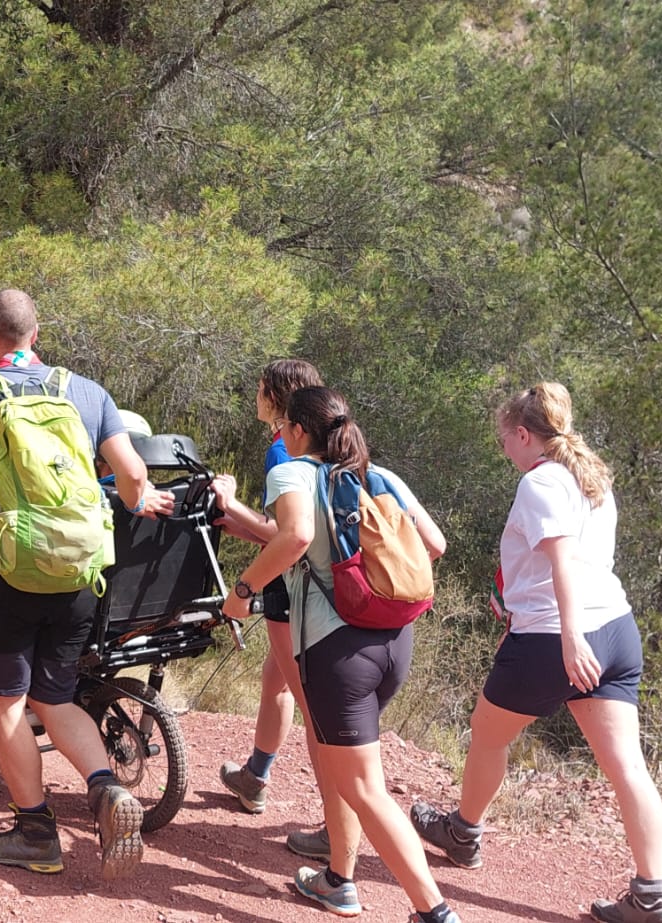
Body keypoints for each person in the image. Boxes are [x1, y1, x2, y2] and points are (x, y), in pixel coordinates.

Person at [0, 288, 174, 881]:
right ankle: (107, 788)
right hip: (78, 577)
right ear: (36, 334)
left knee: (8, 703)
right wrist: (140, 499)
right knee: (55, 697)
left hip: (10, 576)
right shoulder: (86, 392)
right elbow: (133, 473)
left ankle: (36, 833)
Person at [406, 383, 662, 923]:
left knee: (487, 733)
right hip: (617, 630)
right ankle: (652, 897)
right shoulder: (591, 478)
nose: (504, 448)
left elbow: (562, 562)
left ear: (525, 434)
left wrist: (568, 636)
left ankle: (463, 833)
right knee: (628, 766)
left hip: (559, 636)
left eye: (505, 438)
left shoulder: (541, 481)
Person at [217, 387, 460, 922]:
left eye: (285, 425)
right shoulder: (380, 476)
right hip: (393, 642)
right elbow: (435, 544)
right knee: (341, 767)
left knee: (365, 787)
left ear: (299, 431)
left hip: (336, 651)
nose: (281, 433)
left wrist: (243, 591)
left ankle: (435, 913)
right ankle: (337, 880)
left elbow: (295, 536)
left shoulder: (293, 473)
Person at [208, 361, 328, 826]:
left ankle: (335, 819)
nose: (254, 395)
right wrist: (237, 523)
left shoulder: (282, 451)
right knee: (276, 680)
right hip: (308, 585)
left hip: (291, 589)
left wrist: (231, 502)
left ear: (276, 397)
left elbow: (286, 534)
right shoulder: (317, 447)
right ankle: (255, 776)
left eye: (259, 388)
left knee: (315, 710)